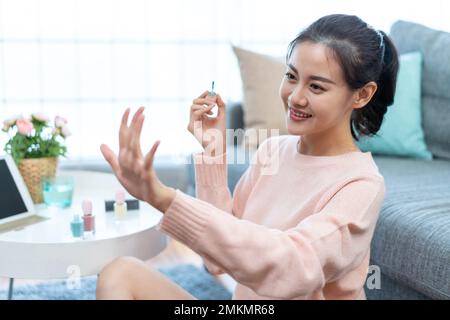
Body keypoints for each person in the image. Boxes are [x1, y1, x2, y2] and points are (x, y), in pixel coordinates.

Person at [96, 14, 399, 300]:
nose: (295, 96)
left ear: (362, 95)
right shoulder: (273, 151)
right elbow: (217, 260)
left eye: (316, 86)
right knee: (119, 273)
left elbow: (290, 267)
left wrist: (163, 198)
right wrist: (214, 153)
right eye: (291, 76)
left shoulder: (361, 185)